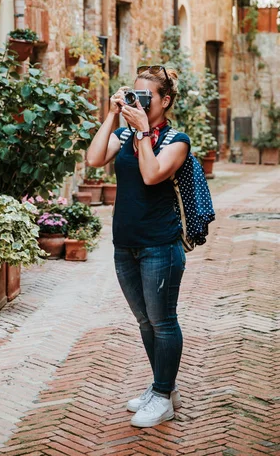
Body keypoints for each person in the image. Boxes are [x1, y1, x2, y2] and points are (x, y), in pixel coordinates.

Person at [86, 65, 190, 428]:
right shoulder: (125, 132)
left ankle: (162, 397)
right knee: (145, 322)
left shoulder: (176, 140)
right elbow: (94, 158)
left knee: (163, 322)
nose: (140, 101)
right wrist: (113, 113)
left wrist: (143, 132)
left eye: (147, 97)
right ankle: (164, 388)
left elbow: (151, 174)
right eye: (135, 94)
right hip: (124, 245)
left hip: (160, 246)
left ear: (165, 100)